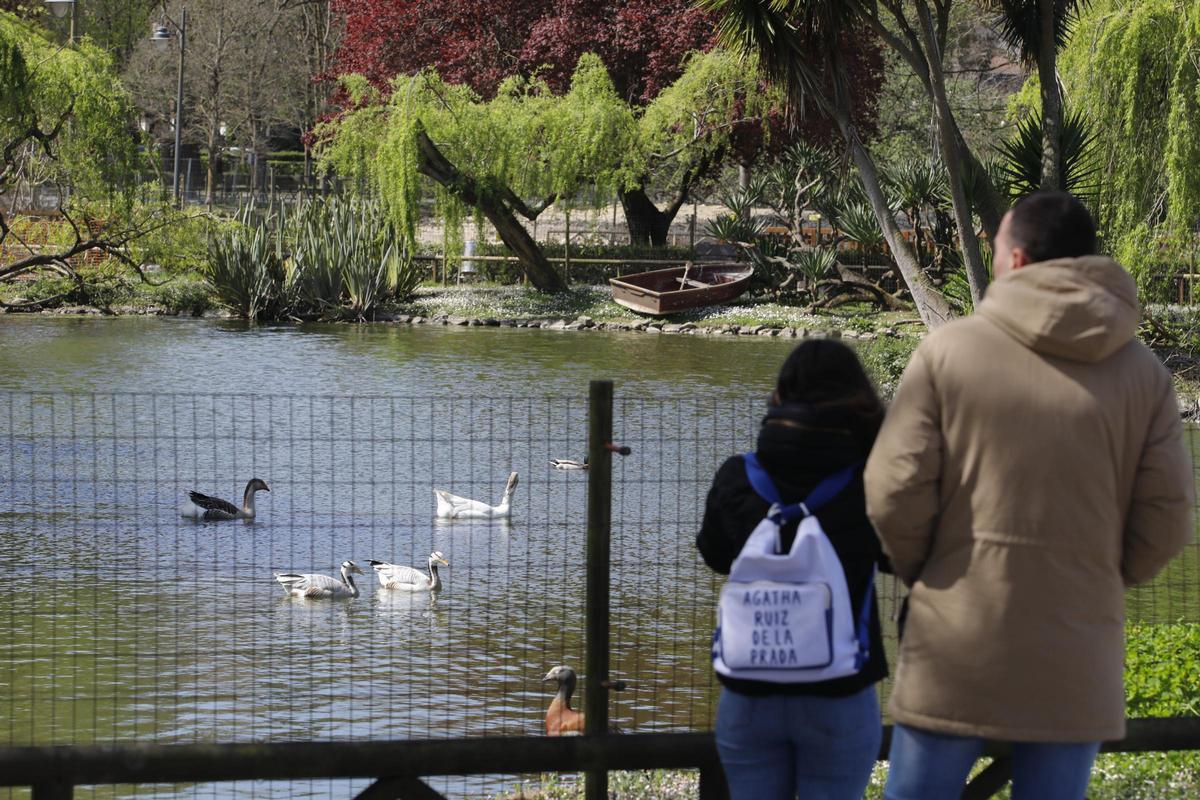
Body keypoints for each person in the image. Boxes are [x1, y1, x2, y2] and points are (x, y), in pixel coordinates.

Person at [864, 191, 1196, 799]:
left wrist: (931, 571)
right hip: (1077, 647)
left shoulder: (948, 351)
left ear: (1014, 260)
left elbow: (892, 490)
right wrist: (1098, 577)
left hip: (955, 641)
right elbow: (1169, 517)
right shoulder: (1144, 374)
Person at [698, 339, 889, 799]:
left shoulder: (737, 476)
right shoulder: (875, 478)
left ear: (779, 397)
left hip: (750, 690)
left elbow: (715, 555)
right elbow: (897, 557)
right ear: (859, 400)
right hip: (840, 691)